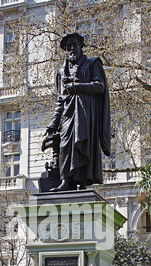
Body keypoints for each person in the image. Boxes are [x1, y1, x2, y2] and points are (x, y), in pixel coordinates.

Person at [45, 32, 111, 192]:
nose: (72, 49)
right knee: (65, 145)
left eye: (74, 45)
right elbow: (60, 99)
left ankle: (82, 183)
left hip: (86, 113)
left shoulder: (92, 63)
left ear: (80, 47)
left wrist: (77, 86)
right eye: (68, 47)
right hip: (67, 115)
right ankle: (65, 181)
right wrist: (53, 123)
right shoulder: (61, 71)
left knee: (84, 145)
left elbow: (99, 86)